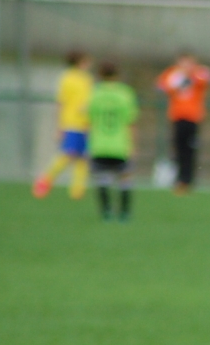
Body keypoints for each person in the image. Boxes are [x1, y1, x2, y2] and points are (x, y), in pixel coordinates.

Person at [31, 51, 92, 200]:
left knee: (83, 157)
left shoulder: (85, 78)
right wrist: (59, 126)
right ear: (80, 61)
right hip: (71, 122)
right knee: (68, 154)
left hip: (85, 123)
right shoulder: (68, 78)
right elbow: (61, 102)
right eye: (86, 60)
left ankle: (77, 191)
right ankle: (45, 179)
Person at [86, 62, 138, 222]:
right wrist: (133, 145)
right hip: (120, 144)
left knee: (102, 179)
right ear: (118, 76)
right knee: (125, 179)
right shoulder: (126, 94)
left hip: (99, 144)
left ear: (100, 75)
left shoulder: (94, 93)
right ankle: (124, 213)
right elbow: (131, 122)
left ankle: (106, 212)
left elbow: (89, 120)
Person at [155, 52, 210, 194]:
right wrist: (177, 81)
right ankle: (179, 179)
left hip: (193, 118)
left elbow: (209, 77)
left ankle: (188, 180)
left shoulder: (198, 73)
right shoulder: (173, 74)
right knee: (177, 149)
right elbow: (160, 86)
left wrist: (192, 75)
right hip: (177, 117)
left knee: (190, 150)